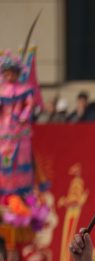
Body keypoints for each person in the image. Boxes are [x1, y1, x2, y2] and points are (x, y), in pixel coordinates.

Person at [0, 48, 41, 197]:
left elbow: (29, 105)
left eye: (12, 73)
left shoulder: (24, 89)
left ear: (17, 74)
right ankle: (4, 188)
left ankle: (20, 189)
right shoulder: (1, 89)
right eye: (6, 73)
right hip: (3, 130)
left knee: (20, 159)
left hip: (19, 130)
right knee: (4, 158)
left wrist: (23, 115)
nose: (9, 76)